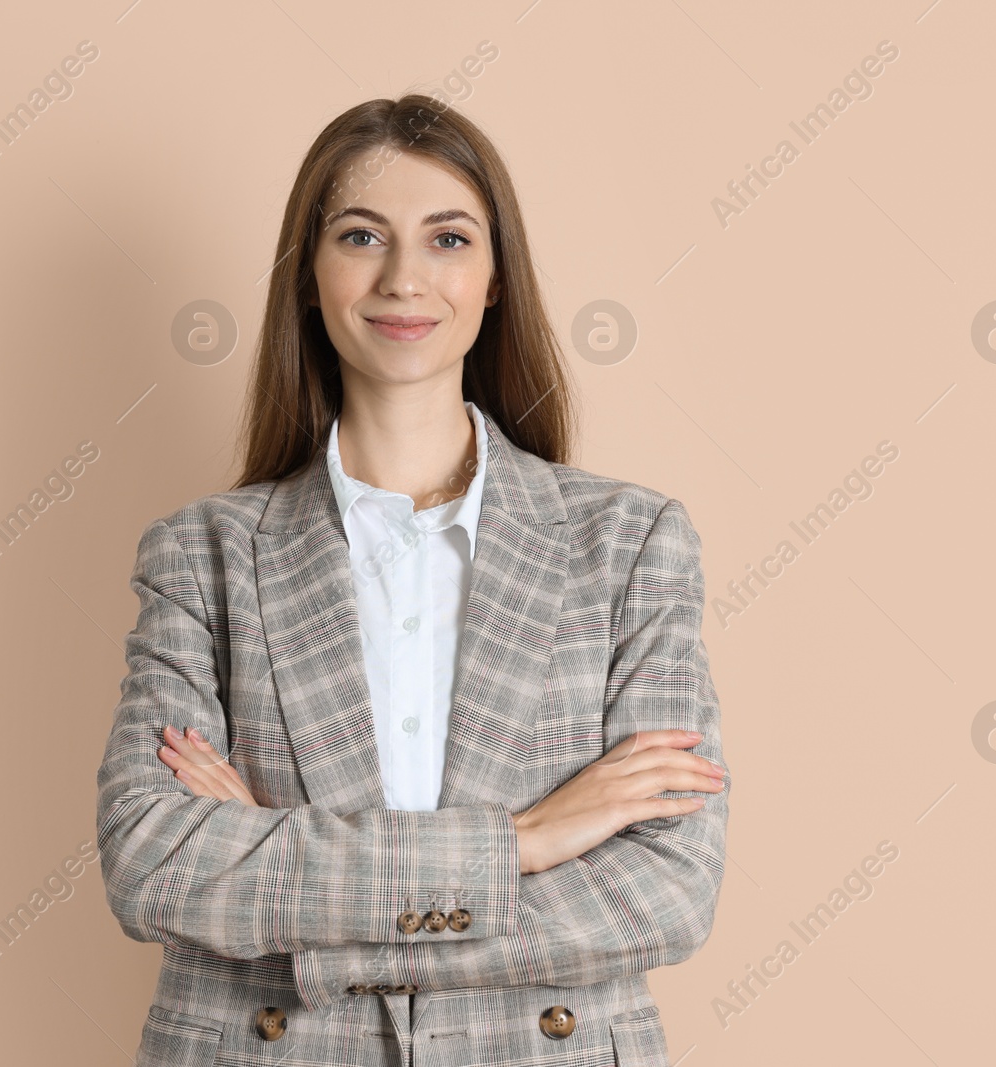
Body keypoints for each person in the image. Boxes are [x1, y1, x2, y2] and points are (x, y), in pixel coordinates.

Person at [95, 93, 728, 1066]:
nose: (403, 278)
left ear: (494, 278)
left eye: (446, 238)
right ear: (309, 276)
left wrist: (286, 871)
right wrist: (523, 841)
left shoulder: (630, 541)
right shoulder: (200, 556)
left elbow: (665, 891)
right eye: (360, 235)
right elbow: (156, 865)